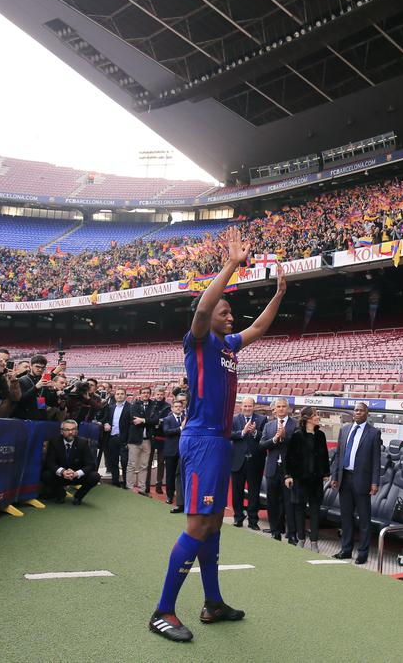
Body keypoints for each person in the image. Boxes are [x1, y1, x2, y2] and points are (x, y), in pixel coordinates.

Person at [149, 228, 286, 644]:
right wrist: (231, 265)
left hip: (219, 443)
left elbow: (259, 329)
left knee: (213, 525)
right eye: (225, 312)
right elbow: (205, 308)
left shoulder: (227, 347)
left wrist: (279, 294)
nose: (231, 317)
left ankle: (213, 602)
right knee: (197, 525)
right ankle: (163, 610)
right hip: (203, 440)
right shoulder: (199, 342)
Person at [329, 402, 382, 565]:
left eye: (361, 410)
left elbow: (376, 460)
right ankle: (346, 550)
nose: (357, 412)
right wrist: (334, 476)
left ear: (367, 413)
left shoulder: (373, 433)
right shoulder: (345, 430)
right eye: (355, 410)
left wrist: (374, 482)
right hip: (344, 478)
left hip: (362, 481)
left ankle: (363, 553)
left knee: (364, 520)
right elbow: (338, 455)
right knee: (346, 518)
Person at [285, 405, 328, 552]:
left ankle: (314, 542)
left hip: (316, 481)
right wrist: (289, 475)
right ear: (308, 418)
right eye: (316, 414)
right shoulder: (297, 435)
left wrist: (325, 473)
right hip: (300, 480)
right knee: (299, 510)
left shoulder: (321, 435)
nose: (318, 417)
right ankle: (301, 539)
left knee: (315, 511)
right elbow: (289, 458)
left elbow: (324, 457)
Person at [260, 398, 297, 542]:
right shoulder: (269, 426)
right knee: (272, 502)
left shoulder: (295, 425)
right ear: (274, 409)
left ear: (288, 409)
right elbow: (262, 445)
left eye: (284, 406)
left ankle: (292, 534)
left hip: (289, 471)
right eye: (278, 407)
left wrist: (284, 437)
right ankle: (275, 531)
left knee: (289, 502)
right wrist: (275, 439)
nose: (281, 409)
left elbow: (298, 446)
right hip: (272, 469)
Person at [40, 420, 101, 505]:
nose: (70, 432)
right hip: (61, 476)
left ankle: (78, 497)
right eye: (67, 430)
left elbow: (91, 464)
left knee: (95, 476)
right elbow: (50, 462)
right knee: (46, 475)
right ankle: (60, 494)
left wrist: (77, 473)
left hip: (76, 476)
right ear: (61, 431)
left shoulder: (83, 442)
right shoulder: (54, 442)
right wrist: (63, 471)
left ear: (77, 431)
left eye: (73, 429)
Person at [229, 397, 267, 529]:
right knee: (237, 492)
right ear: (241, 406)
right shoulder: (234, 419)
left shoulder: (262, 419)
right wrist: (243, 432)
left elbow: (265, 437)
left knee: (253, 493)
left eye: (249, 406)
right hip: (237, 461)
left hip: (255, 462)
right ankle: (238, 517)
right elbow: (228, 434)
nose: (247, 408)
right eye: (245, 406)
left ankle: (253, 521)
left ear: (254, 407)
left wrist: (255, 432)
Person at [102, 388, 134, 488]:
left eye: (122, 394)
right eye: (117, 394)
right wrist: (106, 423)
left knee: (125, 462)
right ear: (114, 396)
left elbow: (132, 425)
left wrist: (129, 441)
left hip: (124, 439)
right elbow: (105, 419)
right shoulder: (110, 407)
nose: (119, 396)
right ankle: (115, 481)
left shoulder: (131, 408)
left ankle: (125, 482)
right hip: (112, 438)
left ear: (125, 396)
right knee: (113, 461)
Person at [127, 387, 155, 495]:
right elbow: (134, 420)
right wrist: (149, 420)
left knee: (144, 465)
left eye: (148, 393)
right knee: (132, 465)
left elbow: (155, 420)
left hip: (147, 440)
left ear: (150, 394)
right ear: (140, 394)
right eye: (143, 393)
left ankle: (142, 489)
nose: (146, 394)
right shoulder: (134, 405)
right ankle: (129, 488)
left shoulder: (154, 405)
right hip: (134, 440)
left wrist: (143, 420)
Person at [143, 387, 170, 495]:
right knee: (148, 462)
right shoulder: (151, 405)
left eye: (161, 394)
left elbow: (163, 421)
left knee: (160, 462)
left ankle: (159, 485)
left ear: (164, 395)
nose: (159, 396)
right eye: (158, 394)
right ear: (155, 394)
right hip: (151, 437)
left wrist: (155, 421)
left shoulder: (167, 406)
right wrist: (155, 421)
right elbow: (152, 420)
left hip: (162, 438)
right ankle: (146, 484)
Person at [162, 396, 186, 511]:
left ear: (182, 408)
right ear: (172, 408)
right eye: (175, 406)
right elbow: (166, 432)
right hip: (171, 451)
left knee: (181, 475)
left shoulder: (186, 418)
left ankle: (181, 498)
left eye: (180, 407)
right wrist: (180, 429)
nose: (178, 408)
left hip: (183, 451)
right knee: (170, 475)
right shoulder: (167, 419)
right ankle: (170, 496)